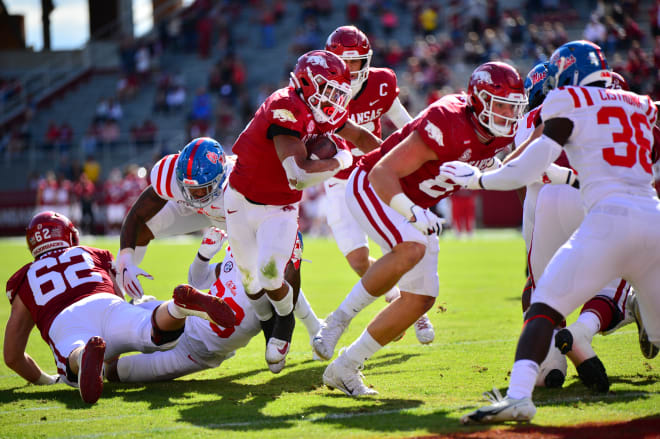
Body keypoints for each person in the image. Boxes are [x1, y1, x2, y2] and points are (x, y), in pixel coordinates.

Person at [439, 40, 660, 423]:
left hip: (607, 218)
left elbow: (530, 166)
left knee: (543, 305)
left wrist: (478, 180)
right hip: (653, 220)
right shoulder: (642, 104)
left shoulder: (568, 101)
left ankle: (519, 396)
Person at [314, 61, 528, 396]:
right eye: (500, 105)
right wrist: (412, 211)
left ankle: (346, 366)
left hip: (416, 202)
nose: (507, 115)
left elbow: (505, 173)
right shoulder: (449, 119)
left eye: (512, 107)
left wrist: (567, 181)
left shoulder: (497, 134)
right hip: (374, 185)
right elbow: (382, 173)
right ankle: (336, 321)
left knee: (421, 298)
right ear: (478, 99)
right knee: (411, 248)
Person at [223, 50, 382, 371]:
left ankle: (285, 321)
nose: (335, 100)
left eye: (339, 92)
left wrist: (396, 162)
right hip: (239, 198)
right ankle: (271, 325)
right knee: (250, 282)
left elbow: (362, 136)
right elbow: (298, 173)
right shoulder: (285, 106)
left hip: (279, 206)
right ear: (307, 83)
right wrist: (343, 160)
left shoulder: (321, 109)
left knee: (269, 276)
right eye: (329, 90)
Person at [117, 137, 322, 371]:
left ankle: (310, 326)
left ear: (220, 178)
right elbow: (136, 215)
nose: (195, 194)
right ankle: (118, 295)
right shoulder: (172, 177)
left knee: (272, 270)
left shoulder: (245, 182)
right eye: (189, 187)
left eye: (201, 188)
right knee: (144, 229)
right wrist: (126, 259)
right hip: (206, 211)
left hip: (237, 213)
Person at [511, 64, 655, 393]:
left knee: (541, 290)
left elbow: (521, 174)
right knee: (616, 288)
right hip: (602, 206)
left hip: (549, 205)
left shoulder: (530, 121)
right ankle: (598, 327)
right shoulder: (620, 111)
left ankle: (552, 362)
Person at [4, 211, 236, 404]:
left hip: (65, 319)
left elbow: (12, 356)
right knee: (154, 331)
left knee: (72, 359)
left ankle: (83, 355)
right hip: (106, 303)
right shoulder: (89, 253)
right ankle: (177, 307)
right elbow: (117, 294)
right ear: (69, 234)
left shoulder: (25, 277)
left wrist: (45, 380)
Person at [323, 26, 434, 344]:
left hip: (374, 175)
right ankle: (399, 297)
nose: (348, 70)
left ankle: (415, 308)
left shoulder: (382, 82)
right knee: (359, 261)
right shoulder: (320, 88)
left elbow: (404, 122)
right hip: (337, 181)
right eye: (341, 62)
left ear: (366, 61)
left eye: (354, 62)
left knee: (400, 247)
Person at [105, 226, 308, 381]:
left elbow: (276, 358)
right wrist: (203, 255)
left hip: (197, 352)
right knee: (114, 322)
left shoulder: (278, 290)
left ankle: (145, 308)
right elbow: (198, 281)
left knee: (118, 372)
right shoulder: (239, 256)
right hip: (186, 317)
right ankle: (146, 306)